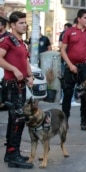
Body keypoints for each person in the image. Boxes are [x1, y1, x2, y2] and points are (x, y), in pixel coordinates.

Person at [0, 11, 34, 169]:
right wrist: (14, 69)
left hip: (20, 85)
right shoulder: (7, 40)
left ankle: (12, 153)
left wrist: (30, 76)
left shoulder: (22, 43)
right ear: (13, 25)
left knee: (18, 121)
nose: (24, 25)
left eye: (25, 22)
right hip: (11, 86)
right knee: (16, 121)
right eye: (21, 23)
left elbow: (25, 61)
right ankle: (13, 156)